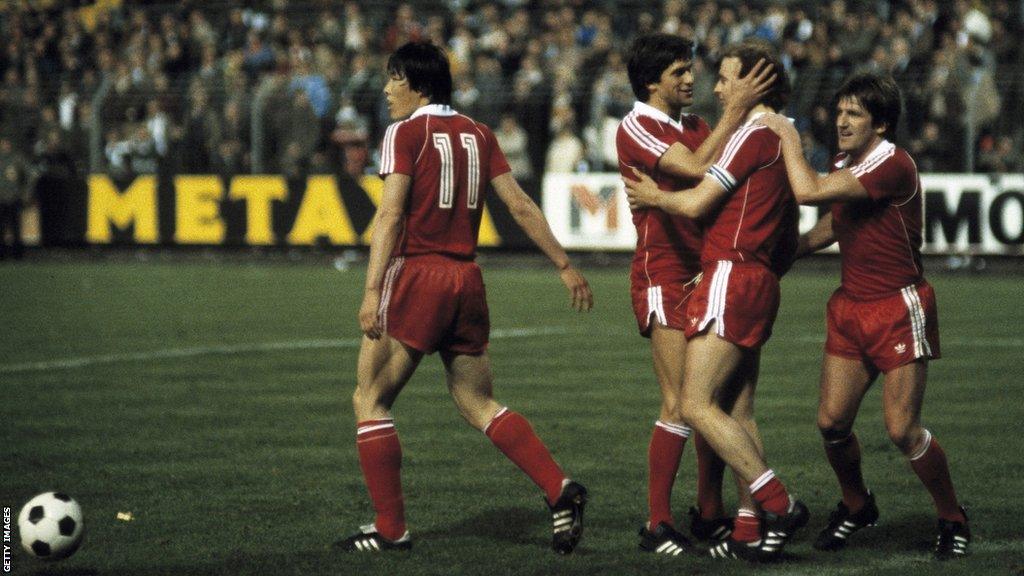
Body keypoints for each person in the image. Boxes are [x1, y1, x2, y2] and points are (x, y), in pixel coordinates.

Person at [339, 41, 594, 555]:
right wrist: (564, 264)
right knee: (477, 401)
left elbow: (389, 216)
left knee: (370, 400)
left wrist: (371, 290)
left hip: (417, 277)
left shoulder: (405, 133)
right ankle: (558, 488)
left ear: (420, 85)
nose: (388, 89)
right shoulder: (480, 133)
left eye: (395, 78)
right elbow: (519, 205)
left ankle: (390, 528)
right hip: (466, 281)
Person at [757, 71, 970, 560]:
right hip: (851, 306)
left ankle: (952, 517)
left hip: (897, 306)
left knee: (901, 429)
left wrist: (786, 132)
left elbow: (809, 193)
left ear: (881, 123)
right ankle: (856, 504)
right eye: (840, 111)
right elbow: (837, 220)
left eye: (854, 113)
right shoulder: (846, 161)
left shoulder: (893, 163)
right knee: (832, 422)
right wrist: (791, 253)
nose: (842, 121)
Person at [624, 39, 806, 562]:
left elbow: (708, 182)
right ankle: (661, 520)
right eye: (680, 72)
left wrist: (737, 115)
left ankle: (733, 513)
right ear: (652, 80)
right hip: (667, 272)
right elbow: (694, 168)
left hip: (718, 274)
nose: (696, 81)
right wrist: (739, 113)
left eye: (700, 73)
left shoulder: (723, 127)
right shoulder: (639, 124)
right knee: (686, 404)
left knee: (709, 405)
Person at [0, 136, 29, 260]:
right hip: (1, 199)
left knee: (16, 227)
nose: (4, 146)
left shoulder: (17, 159)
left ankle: (17, 255)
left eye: (6, 143)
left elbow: (31, 174)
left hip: (13, 198)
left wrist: (25, 192)